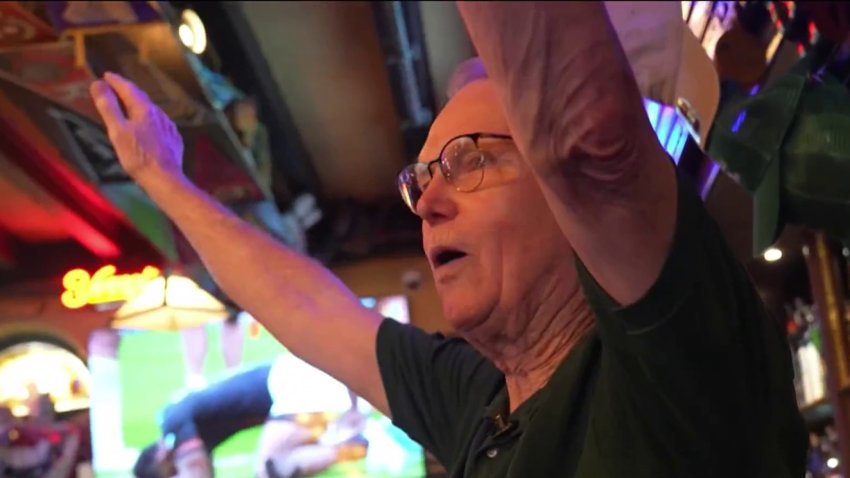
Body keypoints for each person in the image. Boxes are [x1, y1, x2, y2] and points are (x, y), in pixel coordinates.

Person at [90, 2, 806, 476]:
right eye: (423, 175)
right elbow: (310, 309)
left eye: (471, 159)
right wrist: (163, 179)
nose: (427, 200)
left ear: (571, 201)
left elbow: (590, 139)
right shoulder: (482, 398)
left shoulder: (672, 361)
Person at [133, 361, 367, 478]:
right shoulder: (194, 433)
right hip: (294, 387)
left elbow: (196, 469)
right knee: (277, 467)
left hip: (292, 383)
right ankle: (350, 445)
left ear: (162, 456)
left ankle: (354, 443)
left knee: (267, 469)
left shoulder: (171, 422)